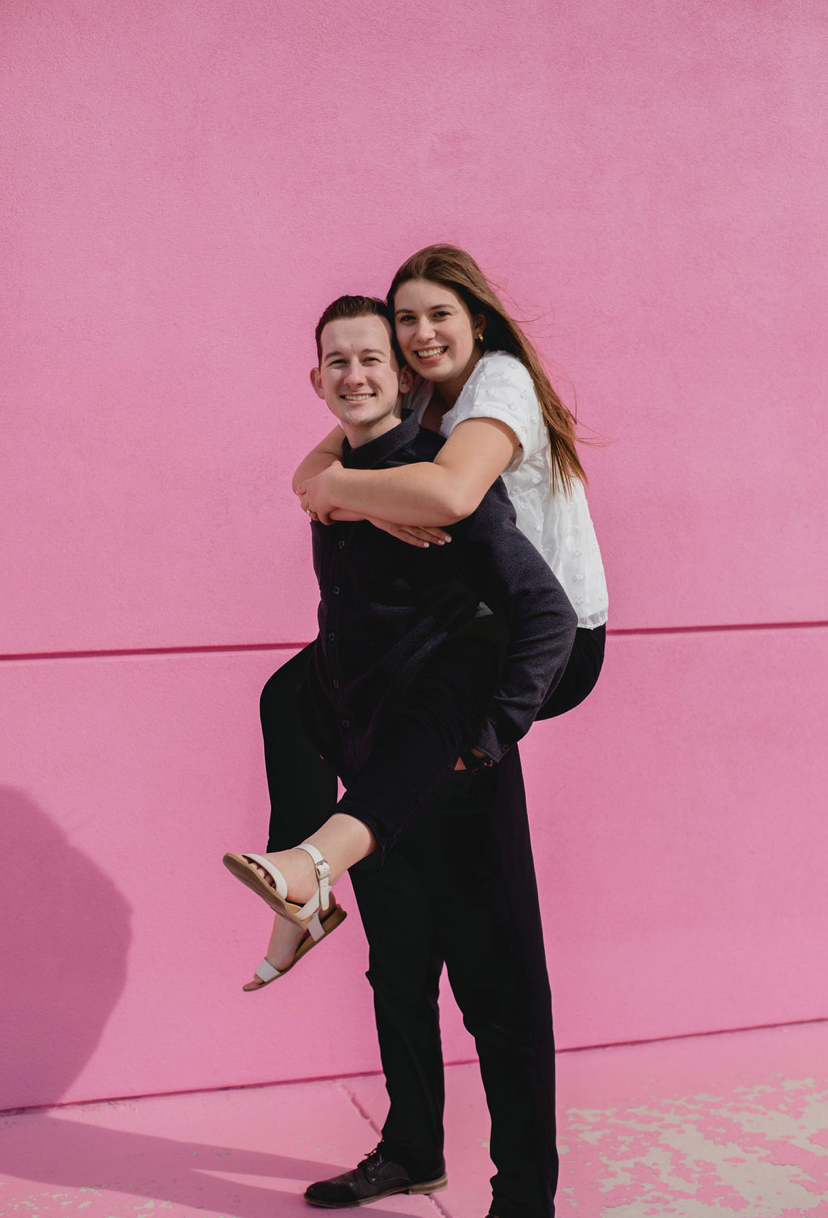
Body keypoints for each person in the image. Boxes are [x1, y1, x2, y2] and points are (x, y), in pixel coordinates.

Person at [225, 294, 577, 1218]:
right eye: (337, 362)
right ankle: (413, 1151)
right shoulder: (338, 478)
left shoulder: (437, 476)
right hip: (375, 784)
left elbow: (543, 614)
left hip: (455, 775)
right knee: (399, 978)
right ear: (317, 380)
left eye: (373, 358)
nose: (356, 375)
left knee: (499, 998)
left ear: (406, 373)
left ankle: (526, 1199)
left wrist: (491, 734)